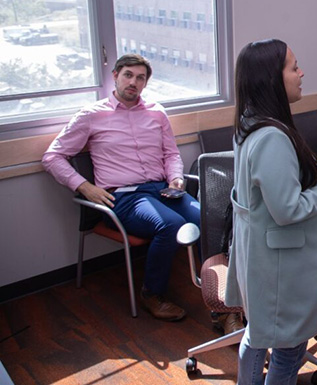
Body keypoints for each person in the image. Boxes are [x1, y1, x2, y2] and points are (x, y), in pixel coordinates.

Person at [42, 54, 202, 323]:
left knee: (205, 217)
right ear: (115, 75)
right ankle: (152, 294)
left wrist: (176, 178)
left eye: (140, 78)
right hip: (124, 197)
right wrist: (84, 187)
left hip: (162, 189)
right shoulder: (91, 115)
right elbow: (52, 157)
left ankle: (217, 287)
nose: (134, 82)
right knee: (170, 225)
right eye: (128, 75)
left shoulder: (156, 112)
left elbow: (171, 154)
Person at [226, 39, 317, 385]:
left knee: (259, 333)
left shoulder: (248, 125)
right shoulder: (272, 137)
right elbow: (288, 210)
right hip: (280, 266)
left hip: (260, 258)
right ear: (271, 79)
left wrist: (308, 174)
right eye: (294, 67)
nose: (301, 72)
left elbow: (267, 193)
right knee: (290, 347)